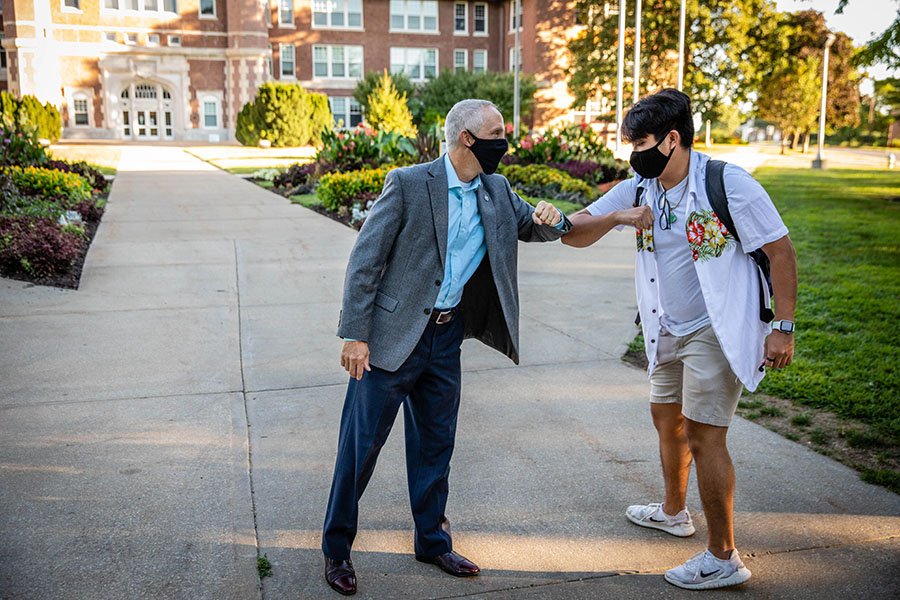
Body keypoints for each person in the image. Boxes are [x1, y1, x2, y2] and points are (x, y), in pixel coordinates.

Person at [322, 99, 571, 596]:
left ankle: (432, 542)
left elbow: (535, 226)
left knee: (436, 446)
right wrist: (355, 333)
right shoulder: (410, 183)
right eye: (497, 131)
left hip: (445, 338)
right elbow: (365, 261)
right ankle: (336, 550)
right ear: (467, 138)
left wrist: (555, 217)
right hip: (391, 341)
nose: (507, 138)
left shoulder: (497, 190)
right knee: (361, 447)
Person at [562, 89, 797, 591]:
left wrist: (783, 326)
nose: (634, 153)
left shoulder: (727, 184)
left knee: (705, 435)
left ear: (672, 140)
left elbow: (781, 251)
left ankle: (723, 556)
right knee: (665, 418)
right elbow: (574, 231)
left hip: (716, 325)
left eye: (641, 142)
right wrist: (618, 216)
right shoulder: (641, 187)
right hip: (665, 325)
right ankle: (673, 512)